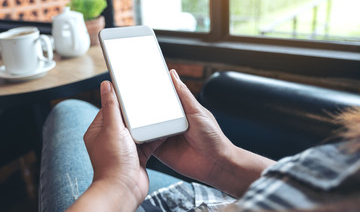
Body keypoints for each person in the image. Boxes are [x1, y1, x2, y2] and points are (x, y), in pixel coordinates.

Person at [39, 70, 360, 212]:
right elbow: (315, 188)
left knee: (70, 109)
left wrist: (116, 186)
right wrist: (222, 162)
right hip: (219, 196)